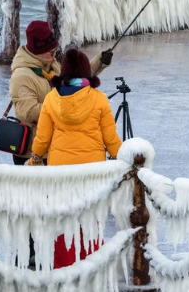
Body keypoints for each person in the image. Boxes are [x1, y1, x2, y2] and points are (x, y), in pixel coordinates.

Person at [28, 48, 122, 268]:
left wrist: (34, 160)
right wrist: (124, 160)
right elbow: (111, 139)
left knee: (62, 218)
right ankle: (89, 266)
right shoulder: (99, 99)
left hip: (60, 173)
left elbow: (42, 138)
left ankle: (63, 266)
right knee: (89, 217)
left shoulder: (52, 99)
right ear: (86, 73)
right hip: (92, 173)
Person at [8, 20, 112, 165]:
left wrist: (100, 60)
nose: (54, 56)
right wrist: (62, 106)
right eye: (51, 52)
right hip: (32, 152)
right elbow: (28, 112)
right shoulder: (22, 76)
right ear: (37, 51)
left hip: (52, 147)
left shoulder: (50, 64)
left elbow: (76, 79)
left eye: (55, 51)